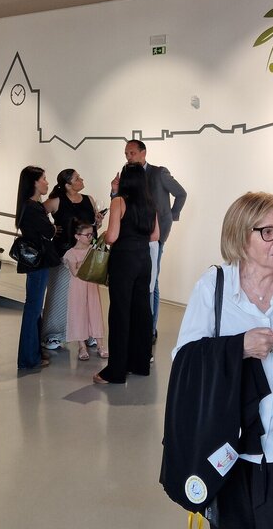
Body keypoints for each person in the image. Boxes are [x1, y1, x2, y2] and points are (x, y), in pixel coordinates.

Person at [165, 191, 273, 528]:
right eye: (267, 232)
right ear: (240, 237)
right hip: (227, 452)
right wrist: (238, 347)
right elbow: (184, 360)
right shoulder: (213, 286)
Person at [111, 139, 186, 341]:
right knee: (139, 282)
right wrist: (114, 192)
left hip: (153, 237)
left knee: (152, 281)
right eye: (126, 154)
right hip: (132, 237)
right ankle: (137, 327)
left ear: (143, 153)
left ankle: (150, 329)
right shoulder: (127, 173)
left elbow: (181, 193)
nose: (128, 157)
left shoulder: (159, 173)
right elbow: (121, 204)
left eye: (132, 153)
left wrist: (170, 216)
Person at [93, 163, 159, 385]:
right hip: (144, 260)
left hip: (124, 261)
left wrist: (105, 233)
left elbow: (112, 237)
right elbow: (155, 235)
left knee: (120, 313)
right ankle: (139, 364)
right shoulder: (150, 203)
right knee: (142, 311)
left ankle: (116, 371)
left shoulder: (119, 201)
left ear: (125, 180)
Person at [41, 169, 102, 352]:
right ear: (68, 185)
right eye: (77, 178)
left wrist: (97, 223)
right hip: (63, 253)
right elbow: (37, 215)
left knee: (87, 296)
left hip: (87, 255)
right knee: (60, 294)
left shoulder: (89, 199)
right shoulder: (56, 201)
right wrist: (50, 228)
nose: (81, 179)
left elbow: (92, 226)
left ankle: (88, 333)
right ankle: (54, 334)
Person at [15, 165, 54, 371]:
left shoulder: (29, 205)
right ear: (35, 183)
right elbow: (49, 231)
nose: (47, 182)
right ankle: (28, 358)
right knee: (33, 308)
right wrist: (53, 227)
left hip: (36, 262)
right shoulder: (32, 207)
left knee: (34, 308)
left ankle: (34, 353)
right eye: (44, 179)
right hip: (38, 262)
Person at [63, 222, 107, 361]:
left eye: (91, 234)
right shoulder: (71, 253)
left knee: (95, 312)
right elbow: (75, 273)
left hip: (92, 285)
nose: (90, 237)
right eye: (87, 235)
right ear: (77, 236)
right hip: (78, 287)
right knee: (79, 314)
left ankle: (100, 344)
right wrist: (86, 261)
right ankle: (82, 346)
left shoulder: (92, 249)